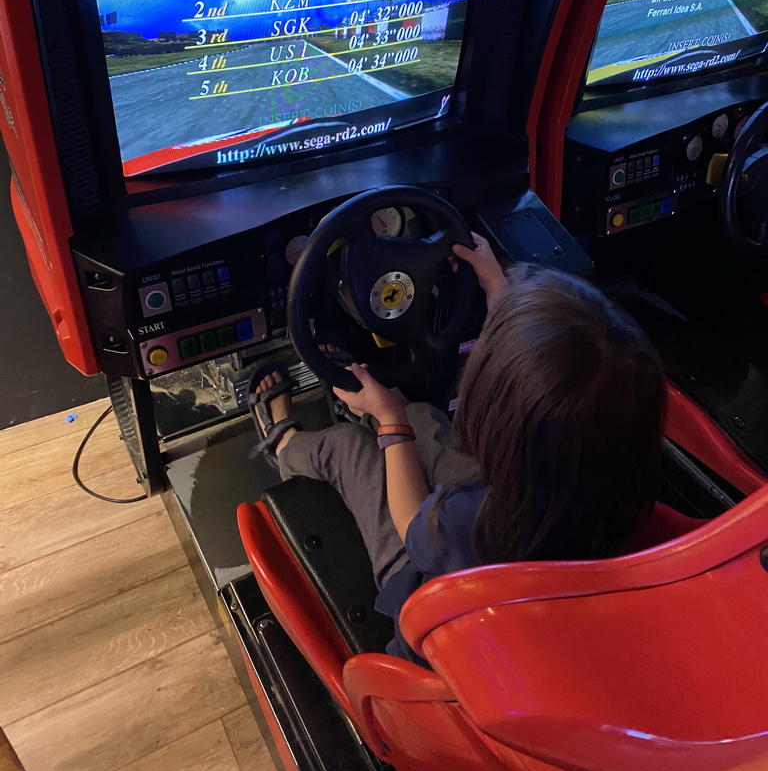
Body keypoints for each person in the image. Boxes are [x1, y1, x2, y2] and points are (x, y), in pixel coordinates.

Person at [249, 234, 683, 666]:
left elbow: (412, 525)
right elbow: (551, 375)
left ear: (497, 423)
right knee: (422, 416)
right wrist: (498, 289)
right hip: (532, 591)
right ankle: (373, 408)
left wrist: (389, 421)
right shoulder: (614, 472)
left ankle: (282, 440)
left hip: (435, 602)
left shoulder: (470, 520)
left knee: (348, 448)